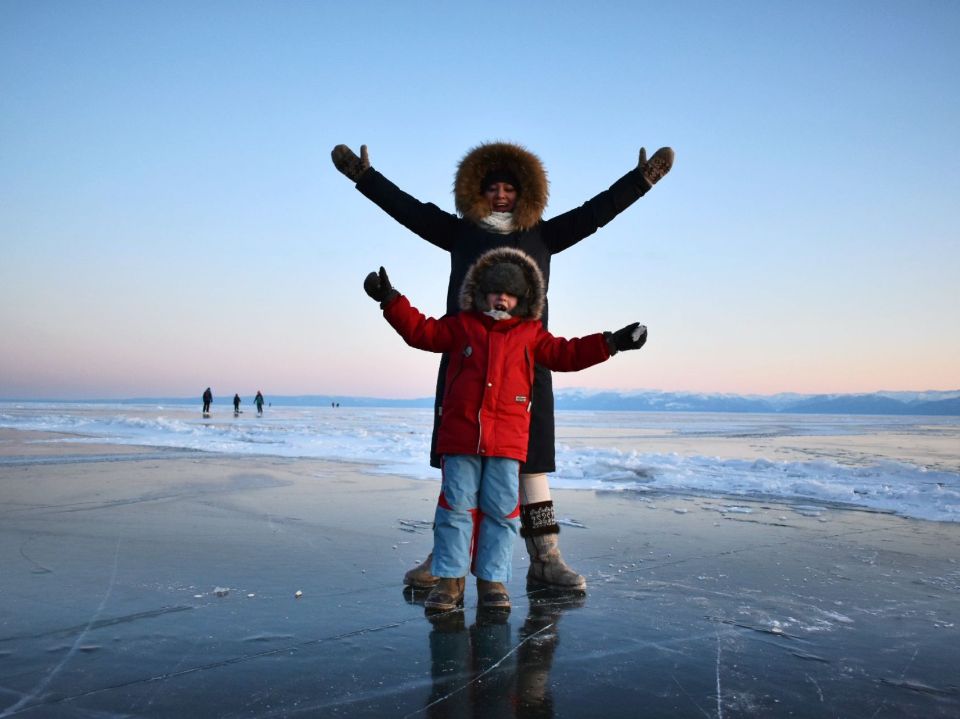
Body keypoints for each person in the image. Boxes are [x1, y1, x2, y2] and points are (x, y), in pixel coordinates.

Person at [333, 139, 673, 591]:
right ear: (477, 191)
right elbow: (409, 211)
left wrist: (640, 181)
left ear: (524, 193)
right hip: (466, 365)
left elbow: (596, 213)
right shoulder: (461, 233)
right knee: (461, 469)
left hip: (528, 365)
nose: (500, 195)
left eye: (509, 188)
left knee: (531, 467)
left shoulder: (544, 235)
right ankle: (444, 561)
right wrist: (365, 178)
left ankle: (546, 559)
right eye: (491, 187)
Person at [364, 247, 648, 612]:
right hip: (461, 438)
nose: (502, 296)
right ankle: (450, 581)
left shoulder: (530, 335)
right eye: (495, 290)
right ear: (481, 293)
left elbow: (568, 353)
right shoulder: (462, 327)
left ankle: (492, 582)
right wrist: (391, 300)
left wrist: (612, 341)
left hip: (507, 443)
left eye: (510, 291)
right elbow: (422, 331)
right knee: (455, 509)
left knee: (502, 512)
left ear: (522, 298)